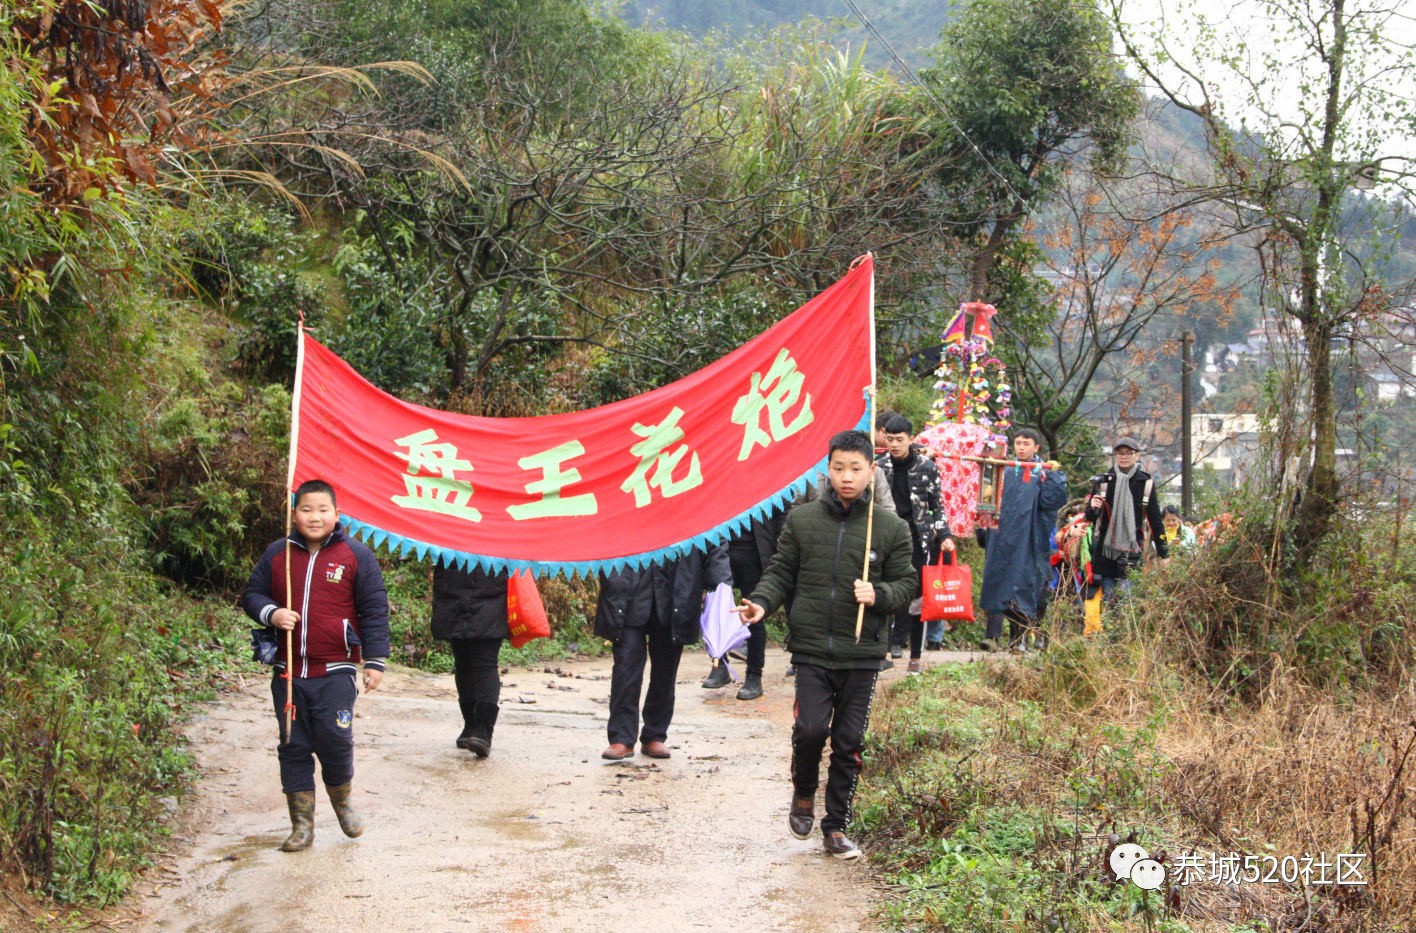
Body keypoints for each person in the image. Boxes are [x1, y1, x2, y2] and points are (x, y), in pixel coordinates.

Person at [734, 430, 917, 859]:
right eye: (838, 468)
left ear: (872, 471)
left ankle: (835, 825)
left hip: (863, 651)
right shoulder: (802, 520)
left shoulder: (890, 528)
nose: (846, 478)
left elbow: (907, 582)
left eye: (856, 469)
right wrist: (761, 603)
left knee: (850, 739)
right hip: (813, 647)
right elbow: (780, 571)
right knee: (811, 729)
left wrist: (880, 596)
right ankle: (803, 791)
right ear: (827, 469)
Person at [241, 479, 390, 853]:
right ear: (294, 513)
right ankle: (301, 826)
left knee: (334, 740)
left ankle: (342, 803)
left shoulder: (355, 556)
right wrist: (272, 613)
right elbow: (251, 594)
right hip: (288, 670)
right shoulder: (278, 554)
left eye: (323, 510)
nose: (314, 516)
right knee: (293, 745)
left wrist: (374, 661)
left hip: (335, 670)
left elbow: (374, 609)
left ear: (337, 515)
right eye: (306, 509)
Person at [596, 545, 732, 760]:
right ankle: (621, 738)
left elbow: (714, 539)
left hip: (673, 592)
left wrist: (720, 585)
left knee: (665, 671)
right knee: (625, 667)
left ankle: (655, 734)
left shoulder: (692, 510)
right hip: (628, 590)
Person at [977, 429, 1068, 653]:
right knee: (999, 584)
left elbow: (1051, 503)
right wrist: (983, 526)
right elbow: (987, 497)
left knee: (1024, 587)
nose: (1021, 448)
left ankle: (1018, 638)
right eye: (1018, 443)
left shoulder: (1043, 472)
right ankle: (1000, 637)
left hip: (1030, 539)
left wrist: (1055, 477)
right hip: (1002, 538)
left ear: (1036, 447)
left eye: (1026, 443)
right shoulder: (1005, 469)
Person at [876, 413, 954, 674]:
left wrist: (944, 536)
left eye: (899, 439)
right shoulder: (879, 466)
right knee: (884, 593)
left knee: (918, 598)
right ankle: (884, 651)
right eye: (890, 439)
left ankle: (916, 656)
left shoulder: (926, 467)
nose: (894, 444)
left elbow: (937, 507)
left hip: (918, 541)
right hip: (886, 538)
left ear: (911, 439)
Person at [702, 510, 785, 699]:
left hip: (755, 551)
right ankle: (719, 665)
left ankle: (754, 676)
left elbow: (782, 506)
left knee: (754, 613)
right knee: (716, 609)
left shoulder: (765, 479)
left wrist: (782, 539)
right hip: (719, 547)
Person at [430, 563, 509, 757]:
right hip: (454, 591)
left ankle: (483, 730)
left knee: (485, 662)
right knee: (463, 662)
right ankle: (470, 725)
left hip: (490, 589)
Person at [1084, 437, 1168, 605]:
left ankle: (1126, 631)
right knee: (1109, 602)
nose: (1124, 456)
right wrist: (1091, 508)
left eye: (1129, 453)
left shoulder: (1145, 483)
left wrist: (1163, 552)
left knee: (1127, 603)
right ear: (1115, 455)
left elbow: (1155, 519)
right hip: (1105, 553)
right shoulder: (1103, 482)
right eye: (1120, 453)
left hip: (1132, 551)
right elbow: (1091, 517)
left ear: (1137, 456)